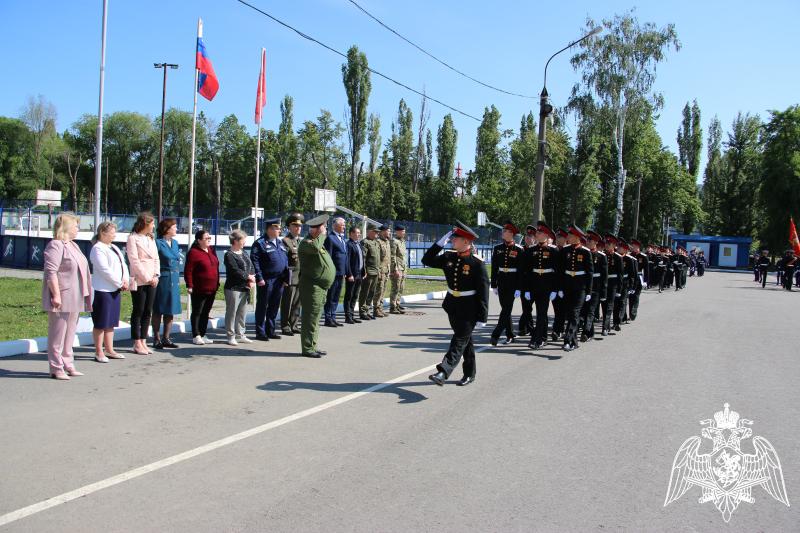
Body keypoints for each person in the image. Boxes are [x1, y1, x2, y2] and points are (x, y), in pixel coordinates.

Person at [424, 221, 489, 386]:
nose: (453, 240)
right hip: (452, 305)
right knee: (466, 342)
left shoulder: (477, 263)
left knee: (459, 340)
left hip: (470, 309)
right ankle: (470, 373)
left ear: (466, 241)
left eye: (456, 238)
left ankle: (443, 371)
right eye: (452, 238)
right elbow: (427, 260)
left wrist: (482, 316)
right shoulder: (449, 256)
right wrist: (440, 243)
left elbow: (483, 291)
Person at [42, 213, 92, 380]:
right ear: (66, 228)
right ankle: (56, 367)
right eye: (75, 226)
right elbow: (51, 272)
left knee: (70, 332)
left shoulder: (73, 245)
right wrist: (56, 294)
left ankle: (68, 363)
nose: (78, 228)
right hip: (62, 296)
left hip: (76, 295)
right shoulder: (55, 245)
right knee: (58, 333)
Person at [89, 221, 129, 363]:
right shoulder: (97, 249)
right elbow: (104, 270)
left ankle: (110, 349)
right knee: (101, 322)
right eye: (112, 232)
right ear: (103, 233)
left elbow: (123, 264)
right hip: (102, 290)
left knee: (111, 322)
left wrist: (125, 280)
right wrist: (119, 282)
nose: (114, 235)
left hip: (115, 289)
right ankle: (99, 351)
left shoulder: (114, 247)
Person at [298, 214, 335, 357]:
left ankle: (313, 345)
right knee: (310, 319)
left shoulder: (316, 242)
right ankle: (307, 348)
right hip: (311, 287)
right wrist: (322, 235)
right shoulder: (307, 243)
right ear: (315, 229)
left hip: (320, 286)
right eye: (323, 227)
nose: (325, 230)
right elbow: (314, 248)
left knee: (315, 319)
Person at [521, 222, 560, 349]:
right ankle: (542, 337)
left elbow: (557, 272)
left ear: (546, 235)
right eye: (537, 232)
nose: (536, 234)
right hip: (534, 285)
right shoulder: (531, 250)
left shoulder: (554, 251)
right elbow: (526, 271)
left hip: (547, 286)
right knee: (539, 313)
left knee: (542, 313)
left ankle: (536, 340)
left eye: (539, 232)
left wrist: (555, 289)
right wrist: (526, 289)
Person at [251, 218, 289, 340]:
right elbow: (255, 262)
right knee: (263, 305)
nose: (279, 230)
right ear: (269, 229)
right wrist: (259, 278)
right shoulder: (260, 243)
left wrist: (285, 278)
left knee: (274, 306)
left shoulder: (280, 243)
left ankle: (270, 330)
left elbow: (285, 260)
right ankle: (260, 332)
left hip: (279, 280)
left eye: (279, 228)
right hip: (266, 280)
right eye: (277, 228)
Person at [127, 212, 160, 355]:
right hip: (140, 279)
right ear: (145, 223)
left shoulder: (150, 238)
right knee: (138, 310)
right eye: (152, 223)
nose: (154, 226)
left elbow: (156, 258)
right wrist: (147, 277)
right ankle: (136, 341)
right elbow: (134, 261)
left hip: (152, 279)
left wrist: (156, 275)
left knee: (148, 310)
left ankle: (144, 340)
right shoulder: (133, 238)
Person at [559, 226, 593, 351]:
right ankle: (574, 342)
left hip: (580, 287)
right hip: (568, 285)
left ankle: (567, 340)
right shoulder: (565, 250)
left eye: (570, 235)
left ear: (577, 237)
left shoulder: (585, 252)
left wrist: (589, 291)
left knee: (575, 313)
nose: (568, 237)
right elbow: (561, 271)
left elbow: (589, 273)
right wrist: (560, 288)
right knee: (570, 314)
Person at [184, 230, 220, 345]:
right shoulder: (193, 252)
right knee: (197, 311)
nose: (209, 240)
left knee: (206, 312)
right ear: (199, 240)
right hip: (199, 287)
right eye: (206, 238)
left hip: (212, 287)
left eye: (210, 238)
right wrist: (189, 285)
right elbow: (188, 270)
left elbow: (216, 266)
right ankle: (196, 335)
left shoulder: (211, 250)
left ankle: (203, 334)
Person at [490, 222, 522, 345]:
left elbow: (520, 270)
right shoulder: (498, 248)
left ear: (511, 234)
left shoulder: (519, 249)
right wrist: (494, 284)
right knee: (505, 309)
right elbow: (494, 268)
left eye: (505, 231)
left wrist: (519, 287)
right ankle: (510, 335)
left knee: (506, 308)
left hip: (513, 282)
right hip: (502, 281)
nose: (502, 232)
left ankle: (496, 334)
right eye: (503, 230)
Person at [152, 218, 181, 349]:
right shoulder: (157, 243)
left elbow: (176, 258)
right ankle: (156, 338)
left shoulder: (175, 243)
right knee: (159, 308)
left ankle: (166, 338)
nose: (176, 229)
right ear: (167, 229)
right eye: (174, 227)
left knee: (171, 309)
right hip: (163, 277)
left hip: (174, 277)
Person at [224, 229, 255, 345]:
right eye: (243, 240)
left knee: (242, 312)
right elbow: (234, 270)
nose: (244, 242)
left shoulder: (244, 252)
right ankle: (230, 336)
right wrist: (248, 277)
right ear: (235, 241)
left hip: (245, 287)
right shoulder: (229, 254)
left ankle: (240, 334)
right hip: (233, 287)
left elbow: (251, 266)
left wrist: (251, 277)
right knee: (232, 312)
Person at [580, 231, 607, 343]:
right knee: (585, 310)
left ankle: (585, 332)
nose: (588, 242)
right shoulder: (584, 253)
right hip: (584, 286)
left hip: (596, 287)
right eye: (587, 240)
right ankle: (590, 333)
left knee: (591, 310)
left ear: (596, 242)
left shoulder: (601, 256)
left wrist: (604, 292)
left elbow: (604, 276)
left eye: (590, 240)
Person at [280, 213, 304, 336]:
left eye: (299, 226)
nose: (297, 228)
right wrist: (284, 278)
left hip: (300, 277)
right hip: (290, 277)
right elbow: (284, 262)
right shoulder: (285, 241)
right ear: (289, 227)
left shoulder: (301, 241)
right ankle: (285, 326)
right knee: (287, 303)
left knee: (297, 303)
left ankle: (294, 324)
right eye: (295, 225)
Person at [323, 216, 349, 327]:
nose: (344, 227)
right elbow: (328, 256)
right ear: (335, 225)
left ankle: (333, 316)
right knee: (331, 295)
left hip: (341, 273)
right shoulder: (330, 238)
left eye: (344, 225)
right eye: (342, 225)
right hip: (334, 272)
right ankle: (328, 318)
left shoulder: (342, 238)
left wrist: (346, 271)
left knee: (336, 296)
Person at [517, 226, 537, 336]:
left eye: (530, 236)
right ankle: (527, 328)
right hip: (524, 283)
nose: (528, 238)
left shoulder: (536, 250)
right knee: (526, 306)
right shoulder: (521, 250)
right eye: (527, 236)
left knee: (528, 307)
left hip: (535, 282)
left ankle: (524, 326)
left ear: (535, 238)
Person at [602, 235, 624, 335]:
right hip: (603, 283)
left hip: (613, 283)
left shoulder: (618, 257)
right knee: (604, 305)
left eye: (609, 244)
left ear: (614, 245)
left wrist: (619, 289)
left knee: (610, 305)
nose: (606, 245)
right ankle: (606, 325)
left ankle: (605, 327)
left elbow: (620, 274)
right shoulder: (602, 255)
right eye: (606, 243)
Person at [343, 225, 365, 324]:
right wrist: (349, 274)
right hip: (352, 274)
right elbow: (347, 261)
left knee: (355, 295)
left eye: (359, 233)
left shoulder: (358, 244)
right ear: (351, 234)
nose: (359, 235)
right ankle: (348, 316)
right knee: (349, 295)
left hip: (359, 274)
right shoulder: (349, 244)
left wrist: (364, 271)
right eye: (357, 233)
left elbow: (361, 259)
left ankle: (352, 314)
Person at [358, 225, 381, 321]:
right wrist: (364, 271)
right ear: (369, 232)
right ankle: (362, 311)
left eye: (377, 232)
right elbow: (363, 258)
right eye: (375, 232)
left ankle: (367, 310)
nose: (377, 233)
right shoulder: (365, 242)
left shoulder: (375, 242)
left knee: (372, 292)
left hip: (375, 271)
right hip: (368, 272)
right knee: (365, 292)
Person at [550, 228, 568, 341]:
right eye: (557, 237)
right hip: (553, 285)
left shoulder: (568, 251)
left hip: (566, 285)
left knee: (564, 309)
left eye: (560, 237)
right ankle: (558, 329)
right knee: (557, 309)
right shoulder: (553, 250)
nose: (557, 239)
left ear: (566, 239)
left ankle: (559, 329)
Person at [372, 225, 391, 318]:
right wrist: (378, 270)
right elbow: (377, 258)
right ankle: (376, 309)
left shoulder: (387, 242)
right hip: (380, 270)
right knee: (378, 290)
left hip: (386, 270)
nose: (389, 233)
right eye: (388, 231)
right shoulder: (378, 242)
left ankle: (380, 308)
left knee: (383, 290)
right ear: (383, 232)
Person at [389, 225, 408, 314]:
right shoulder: (394, 241)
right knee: (395, 288)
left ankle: (397, 304)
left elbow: (402, 256)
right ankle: (393, 307)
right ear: (397, 232)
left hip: (403, 268)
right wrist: (395, 269)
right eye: (402, 231)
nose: (403, 233)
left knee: (401, 288)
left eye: (404, 231)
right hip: (397, 268)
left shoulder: (402, 241)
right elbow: (393, 256)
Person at [628, 239, 648, 321]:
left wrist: (646, 281)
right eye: (632, 246)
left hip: (639, 278)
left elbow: (646, 270)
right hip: (631, 278)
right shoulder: (629, 255)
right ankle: (630, 313)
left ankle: (633, 312)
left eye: (635, 246)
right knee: (630, 297)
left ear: (638, 247)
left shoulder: (643, 256)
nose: (633, 247)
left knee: (636, 296)